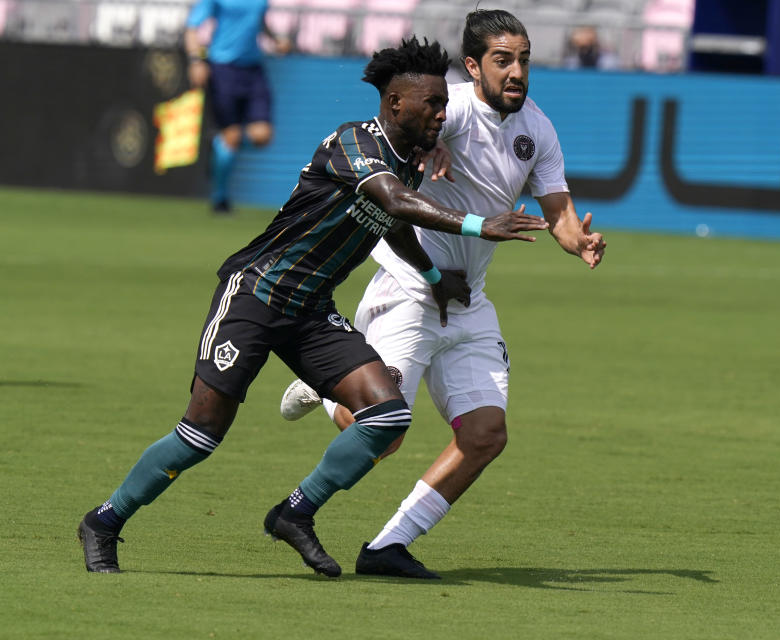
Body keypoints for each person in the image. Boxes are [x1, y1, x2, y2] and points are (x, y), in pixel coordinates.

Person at [76, 36, 550, 576]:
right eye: (433, 105)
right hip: (255, 295)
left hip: (309, 310)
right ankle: (104, 521)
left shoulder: (409, 161)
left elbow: (392, 222)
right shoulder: (353, 143)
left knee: (388, 416)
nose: (444, 115)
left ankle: (294, 513)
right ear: (396, 104)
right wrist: (478, 223)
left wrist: (435, 276)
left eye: (445, 104)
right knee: (200, 436)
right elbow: (393, 201)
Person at [280, 9, 607, 579]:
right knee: (384, 439)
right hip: (411, 285)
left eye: (524, 59)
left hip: (468, 298)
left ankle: (388, 546)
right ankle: (327, 385)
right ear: (474, 66)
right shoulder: (446, 106)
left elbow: (559, 215)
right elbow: (392, 141)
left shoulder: (539, 129)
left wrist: (577, 240)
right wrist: (424, 148)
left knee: (486, 434)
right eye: (503, 60)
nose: (516, 72)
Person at [184, 0, 292, 213]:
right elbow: (192, 27)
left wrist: (274, 39)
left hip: (253, 70)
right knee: (231, 136)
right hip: (223, 68)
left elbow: (257, 21)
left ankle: (219, 146)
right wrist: (196, 60)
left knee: (262, 136)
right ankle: (220, 198)